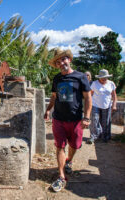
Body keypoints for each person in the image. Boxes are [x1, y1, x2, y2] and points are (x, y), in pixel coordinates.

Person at [44, 48, 92, 192]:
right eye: (58, 62)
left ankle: (69, 161)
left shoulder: (81, 77)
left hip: (76, 120)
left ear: (69, 60)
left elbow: (88, 98)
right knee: (59, 146)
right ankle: (61, 177)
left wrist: (87, 117)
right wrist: (48, 109)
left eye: (63, 59)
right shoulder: (57, 79)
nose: (61, 63)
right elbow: (54, 96)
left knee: (75, 145)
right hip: (58, 119)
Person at [87, 69, 117, 144]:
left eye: (105, 77)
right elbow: (90, 95)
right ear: (99, 77)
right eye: (102, 77)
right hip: (95, 105)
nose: (104, 79)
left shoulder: (111, 83)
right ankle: (93, 136)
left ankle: (105, 137)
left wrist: (114, 105)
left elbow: (114, 95)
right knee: (94, 120)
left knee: (106, 122)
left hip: (107, 105)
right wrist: (89, 105)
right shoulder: (94, 83)